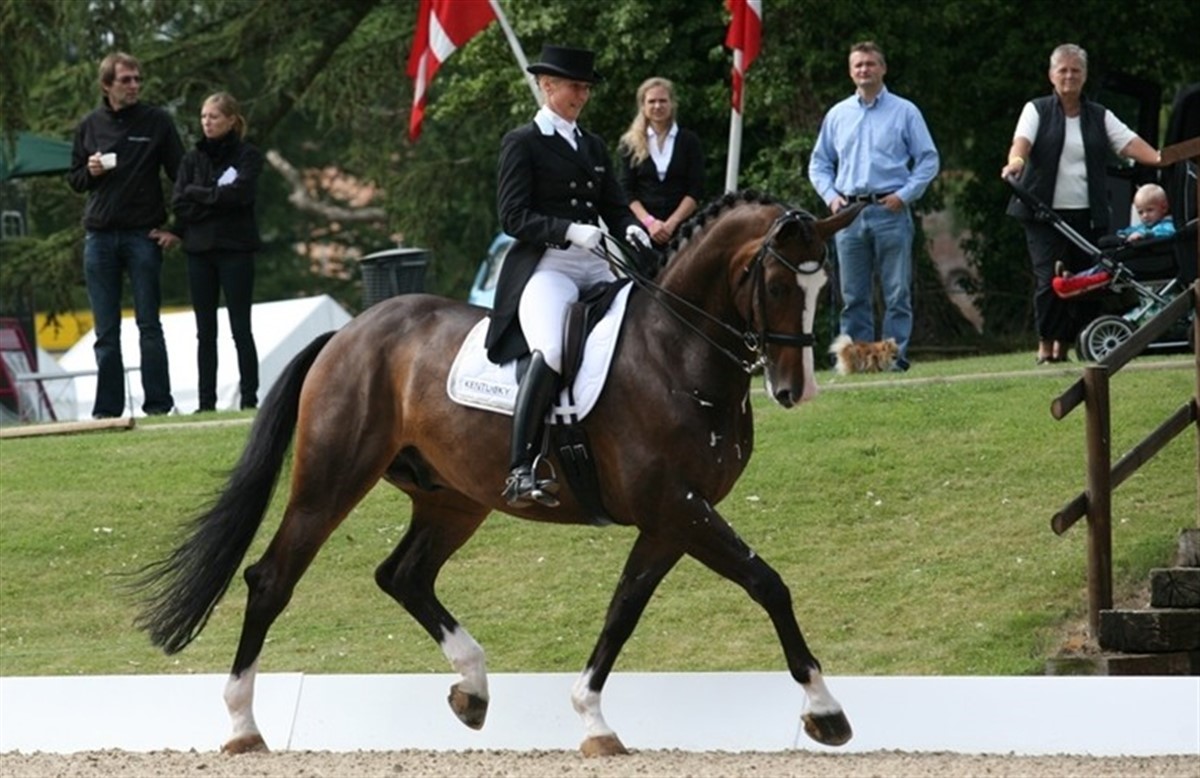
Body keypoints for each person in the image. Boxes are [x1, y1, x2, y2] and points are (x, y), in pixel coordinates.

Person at [484, 44, 650, 508]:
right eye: (575, 86)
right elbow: (513, 216)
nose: (582, 95)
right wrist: (566, 230)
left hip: (596, 261)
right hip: (548, 265)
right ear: (547, 85)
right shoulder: (523, 141)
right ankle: (520, 468)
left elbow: (614, 205)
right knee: (553, 349)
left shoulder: (591, 144)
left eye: (586, 88)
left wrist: (631, 228)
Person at [1000, 43, 1162, 364]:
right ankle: (1046, 344)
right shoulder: (1037, 110)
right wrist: (1016, 162)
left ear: (1084, 76)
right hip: (1042, 212)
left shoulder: (1099, 115)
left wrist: (1161, 158)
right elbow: (1022, 142)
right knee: (1049, 280)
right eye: (1063, 70)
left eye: (1075, 70)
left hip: (1088, 214)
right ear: (1051, 75)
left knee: (1084, 282)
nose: (1069, 76)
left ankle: (1066, 345)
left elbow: (1129, 143)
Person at [808, 41, 940, 373]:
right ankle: (858, 363)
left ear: (883, 68)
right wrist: (831, 197)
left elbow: (928, 159)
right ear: (850, 71)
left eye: (870, 64)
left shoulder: (905, 112)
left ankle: (893, 361)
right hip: (848, 215)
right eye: (858, 65)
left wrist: (905, 194)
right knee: (853, 295)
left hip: (890, 210)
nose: (864, 69)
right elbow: (819, 163)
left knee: (896, 293)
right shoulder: (838, 115)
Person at [68, 51, 185, 418]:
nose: (134, 85)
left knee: (149, 325)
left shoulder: (158, 122)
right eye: (126, 80)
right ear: (107, 85)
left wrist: (176, 228)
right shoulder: (89, 126)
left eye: (137, 79)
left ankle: (158, 406)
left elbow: (182, 176)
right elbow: (75, 180)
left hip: (142, 236)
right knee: (106, 332)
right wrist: (90, 172)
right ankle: (107, 411)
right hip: (99, 238)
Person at [172, 92, 263, 412]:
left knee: (241, 327)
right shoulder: (192, 160)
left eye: (213, 116)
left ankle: (249, 397)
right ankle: (205, 400)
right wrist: (214, 197)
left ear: (230, 120)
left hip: (235, 249)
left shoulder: (247, 156)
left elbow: (241, 195)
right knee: (205, 331)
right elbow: (180, 203)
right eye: (203, 117)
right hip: (199, 251)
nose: (207, 122)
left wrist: (199, 194)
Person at [617, 77, 705, 262]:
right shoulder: (630, 143)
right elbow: (626, 190)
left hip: (683, 229)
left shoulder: (689, 141)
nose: (657, 106)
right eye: (652, 101)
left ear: (672, 104)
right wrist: (650, 223)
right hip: (642, 231)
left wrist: (671, 224)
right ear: (643, 106)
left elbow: (695, 189)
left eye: (663, 101)